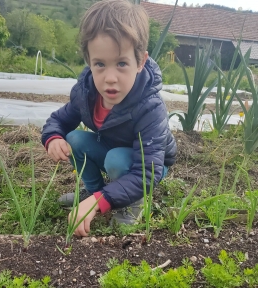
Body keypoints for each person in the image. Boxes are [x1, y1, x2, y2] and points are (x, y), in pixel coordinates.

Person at [41, 0, 177, 237]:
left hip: (148, 164)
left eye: (122, 63)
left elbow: (148, 171)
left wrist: (100, 202)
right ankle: (93, 191)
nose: (110, 78)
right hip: (114, 149)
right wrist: (53, 138)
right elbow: (59, 120)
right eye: (100, 64)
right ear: (89, 62)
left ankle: (132, 205)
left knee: (116, 160)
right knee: (74, 138)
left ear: (140, 62)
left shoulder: (150, 106)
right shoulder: (87, 93)